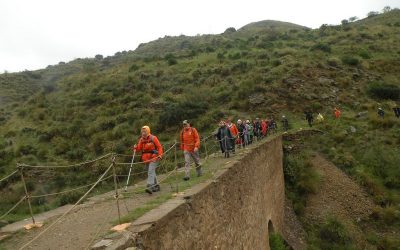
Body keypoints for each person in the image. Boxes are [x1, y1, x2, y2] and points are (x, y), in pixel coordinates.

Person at [133, 126, 163, 194]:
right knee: (151, 172)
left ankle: (149, 186)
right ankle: (157, 186)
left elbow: (159, 147)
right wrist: (135, 148)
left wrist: (160, 155)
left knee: (150, 171)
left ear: (148, 131)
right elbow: (139, 149)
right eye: (142, 132)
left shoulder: (153, 138)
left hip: (154, 157)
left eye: (145, 131)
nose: (143, 133)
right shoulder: (141, 140)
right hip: (146, 159)